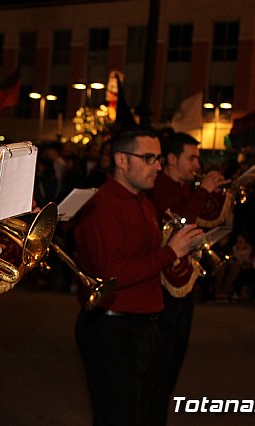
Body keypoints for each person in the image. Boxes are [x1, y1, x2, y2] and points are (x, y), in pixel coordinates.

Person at [73, 128, 203, 426]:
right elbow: (112, 272)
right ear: (121, 159)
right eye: (148, 158)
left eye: (158, 158)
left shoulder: (143, 201)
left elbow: (144, 258)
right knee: (120, 417)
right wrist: (170, 252)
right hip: (113, 327)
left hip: (145, 323)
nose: (158, 166)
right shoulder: (101, 204)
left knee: (148, 413)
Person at [145, 131, 226, 425]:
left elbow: (195, 220)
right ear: (171, 159)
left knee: (170, 371)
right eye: (191, 157)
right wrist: (202, 192)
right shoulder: (157, 188)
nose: (197, 164)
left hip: (183, 284)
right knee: (155, 372)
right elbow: (178, 222)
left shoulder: (183, 187)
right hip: (161, 288)